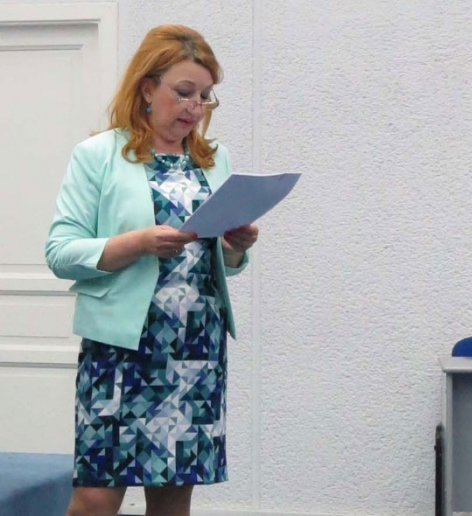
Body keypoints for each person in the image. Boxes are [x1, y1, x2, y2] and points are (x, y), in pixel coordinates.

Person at [45, 24, 258, 516]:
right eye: (183, 92)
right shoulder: (99, 155)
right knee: (94, 499)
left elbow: (219, 265)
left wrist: (234, 249)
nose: (195, 107)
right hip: (121, 352)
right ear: (146, 88)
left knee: (172, 497)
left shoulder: (214, 159)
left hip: (195, 350)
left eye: (205, 96)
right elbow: (60, 252)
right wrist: (139, 243)